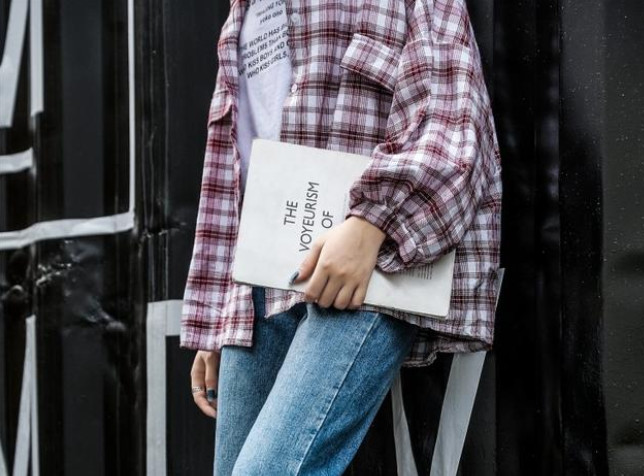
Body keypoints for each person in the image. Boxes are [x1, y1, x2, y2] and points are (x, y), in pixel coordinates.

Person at [181, 0, 503, 474]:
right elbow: (240, 162)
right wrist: (223, 320)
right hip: (259, 286)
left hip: (371, 265)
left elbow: (453, 118)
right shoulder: (242, 9)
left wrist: (373, 223)